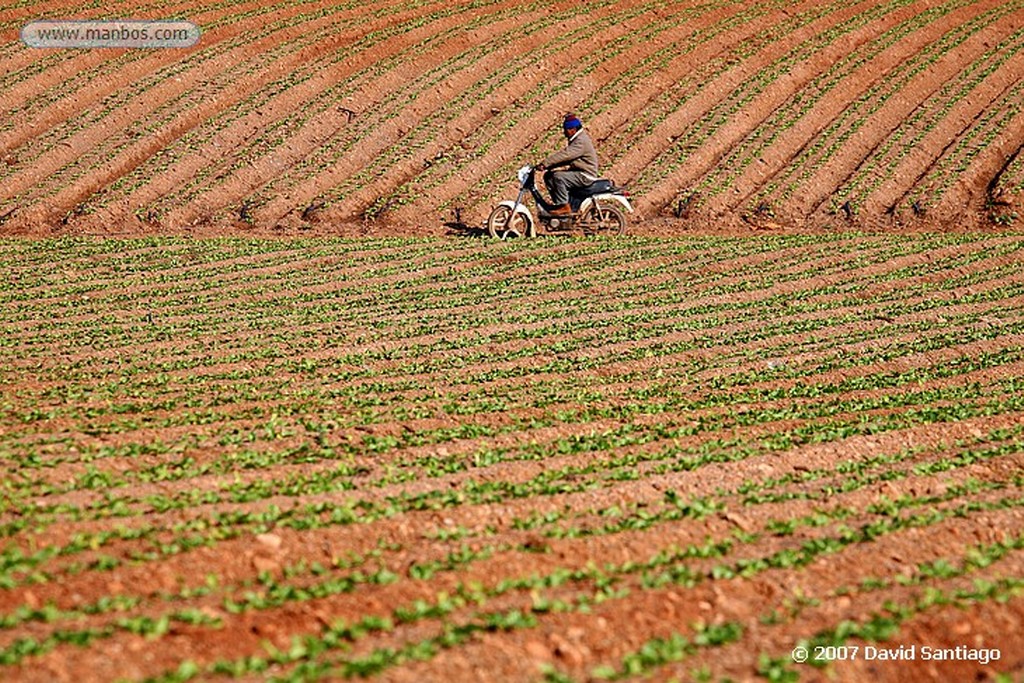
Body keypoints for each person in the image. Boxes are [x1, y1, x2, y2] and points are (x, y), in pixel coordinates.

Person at [536, 113, 599, 216]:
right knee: (549, 176)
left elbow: (566, 155)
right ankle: (560, 204)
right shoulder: (578, 139)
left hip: (585, 175)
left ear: (573, 129)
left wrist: (545, 163)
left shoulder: (580, 141)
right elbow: (568, 159)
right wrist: (548, 167)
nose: (564, 132)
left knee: (558, 177)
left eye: (566, 130)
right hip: (579, 172)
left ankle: (564, 206)